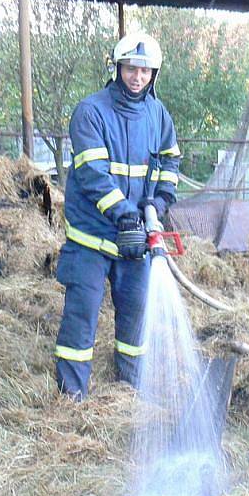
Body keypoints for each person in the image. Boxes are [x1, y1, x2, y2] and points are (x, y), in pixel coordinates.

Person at [54, 33, 181, 399]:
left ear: (153, 74)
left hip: (135, 239)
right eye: (130, 68)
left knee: (135, 317)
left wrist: (160, 201)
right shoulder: (90, 111)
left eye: (144, 71)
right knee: (82, 316)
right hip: (90, 240)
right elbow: (94, 174)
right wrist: (124, 212)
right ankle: (71, 396)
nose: (137, 77)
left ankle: (129, 390)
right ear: (117, 68)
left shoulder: (158, 114)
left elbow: (171, 159)